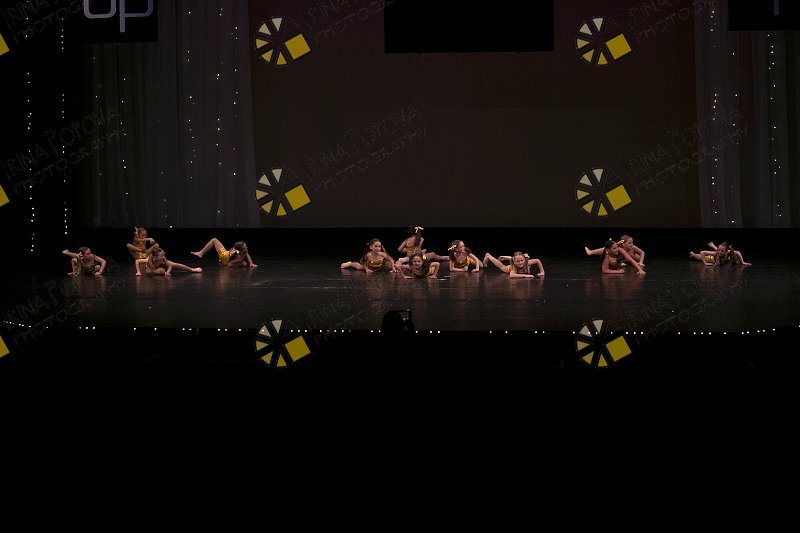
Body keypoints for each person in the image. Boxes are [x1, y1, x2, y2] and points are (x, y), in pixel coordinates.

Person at [191, 238, 257, 268]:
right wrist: (240, 264)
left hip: (228, 255)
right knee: (214, 240)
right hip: (224, 256)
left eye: (245, 246)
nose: (246, 247)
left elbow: (247, 254)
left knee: (214, 240)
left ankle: (201, 253)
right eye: (245, 247)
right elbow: (229, 265)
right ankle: (201, 253)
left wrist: (251, 263)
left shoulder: (243, 251)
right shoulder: (239, 258)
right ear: (240, 250)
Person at [136, 246, 202, 276]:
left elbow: (170, 266)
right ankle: (154, 271)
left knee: (176, 264)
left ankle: (192, 269)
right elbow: (137, 261)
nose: (163, 257)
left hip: (160, 264)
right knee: (162, 271)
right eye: (162, 255)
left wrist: (168, 272)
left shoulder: (163, 259)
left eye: (164, 255)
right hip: (152, 268)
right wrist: (138, 271)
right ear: (155, 257)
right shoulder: (149, 260)